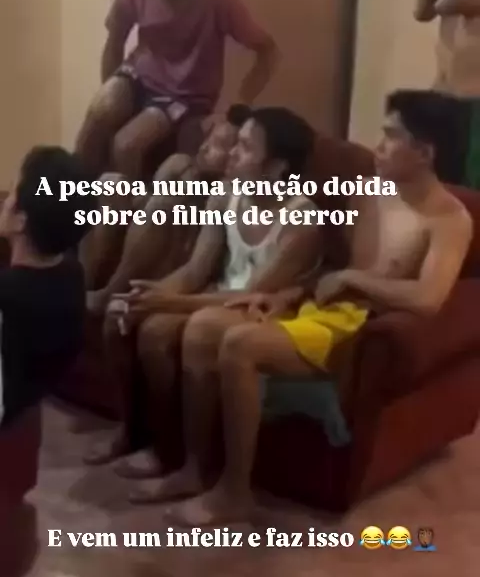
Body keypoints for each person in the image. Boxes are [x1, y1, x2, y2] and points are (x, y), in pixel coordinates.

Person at [162, 89, 473, 524]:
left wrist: (352, 280)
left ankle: (235, 491)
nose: (378, 146)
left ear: (424, 152)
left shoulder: (449, 219)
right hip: (322, 309)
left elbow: (427, 299)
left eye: (391, 137)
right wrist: (284, 295)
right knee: (201, 329)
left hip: (358, 326)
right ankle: (195, 468)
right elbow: (330, 266)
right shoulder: (368, 191)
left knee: (239, 344)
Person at [96, 108, 323, 502]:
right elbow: (195, 270)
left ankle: (193, 467)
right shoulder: (227, 195)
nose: (232, 152)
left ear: (277, 167)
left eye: (245, 147)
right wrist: (145, 295)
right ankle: (149, 441)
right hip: (215, 296)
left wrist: (167, 301)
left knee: (166, 328)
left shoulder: (301, 220)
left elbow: (250, 295)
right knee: (130, 316)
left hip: (260, 310)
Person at [75, 0, 279, 182]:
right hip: (138, 75)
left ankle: (127, 206)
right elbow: (115, 42)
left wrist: (236, 108)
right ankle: (72, 190)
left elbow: (267, 52)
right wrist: (114, 94)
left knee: (126, 145)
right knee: (102, 107)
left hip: (183, 95)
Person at [87, 104, 252, 312]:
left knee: (162, 206)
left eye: (217, 144)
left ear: (234, 155)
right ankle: (82, 280)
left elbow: (199, 257)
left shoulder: (228, 194)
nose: (204, 147)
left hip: (176, 256)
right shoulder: (183, 165)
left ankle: (111, 292)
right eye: (208, 139)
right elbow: (147, 200)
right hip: (146, 233)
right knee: (111, 183)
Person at [0, 147, 95, 430]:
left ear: (21, 220)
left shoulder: (8, 297)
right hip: (26, 402)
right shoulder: (72, 275)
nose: (5, 200)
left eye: (11, 193)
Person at [414, 0, 480, 187]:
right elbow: (422, 11)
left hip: (475, 105)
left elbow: (447, 4)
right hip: (448, 98)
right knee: (443, 185)